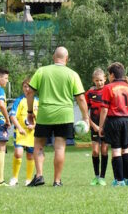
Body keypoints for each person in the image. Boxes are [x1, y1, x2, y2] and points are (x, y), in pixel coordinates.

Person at [24, 47, 90, 187]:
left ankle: (40, 175)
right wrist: (85, 118)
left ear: (54, 57)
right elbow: (81, 98)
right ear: (67, 59)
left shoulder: (42, 71)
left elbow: (30, 92)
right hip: (64, 115)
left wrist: (30, 112)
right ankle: (57, 181)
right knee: (60, 148)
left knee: (39, 145)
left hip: (45, 115)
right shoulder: (72, 74)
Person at [98, 62, 128, 186]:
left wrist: (101, 126)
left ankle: (119, 181)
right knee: (125, 150)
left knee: (116, 150)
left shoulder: (108, 87)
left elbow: (104, 109)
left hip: (114, 120)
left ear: (112, 75)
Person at [9, 77, 38, 187]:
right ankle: (15, 177)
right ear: (22, 88)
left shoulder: (37, 101)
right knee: (18, 153)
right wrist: (19, 128)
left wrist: (34, 125)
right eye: (25, 86)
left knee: (30, 156)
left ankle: (28, 179)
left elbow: (40, 118)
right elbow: (12, 115)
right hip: (21, 133)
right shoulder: (19, 100)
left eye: (29, 87)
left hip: (32, 134)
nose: (27, 89)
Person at [85, 69, 110, 186]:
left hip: (106, 126)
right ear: (93, 81)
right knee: (95, 151)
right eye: (96, 80)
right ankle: (96, 176)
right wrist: (93, 125)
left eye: (101, 80)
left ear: (105, 79)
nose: (99, 82)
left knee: (104, 150)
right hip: (94, 126)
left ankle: (102, 177)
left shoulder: (109, 90)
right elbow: (84, 112)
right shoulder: (89, 94)